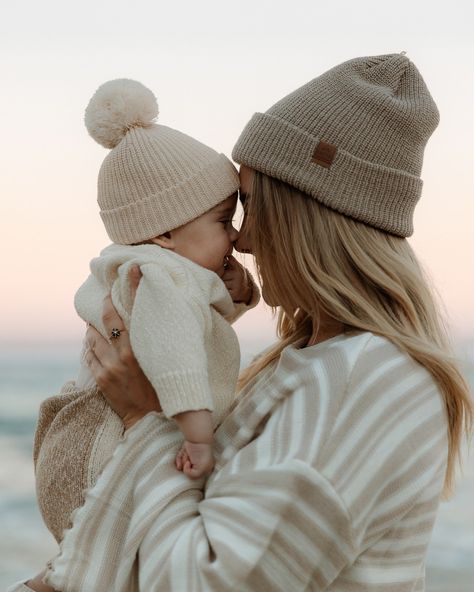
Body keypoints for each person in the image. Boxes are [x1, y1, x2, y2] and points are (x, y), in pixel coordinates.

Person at [16, 53, 473, 592]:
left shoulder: (362, 381)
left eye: (251, 207)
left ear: (308, 216)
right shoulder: (306, 364)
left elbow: (203, 581)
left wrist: (143, 417)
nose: (245, 240)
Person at [30, 79, 260, 548]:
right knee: (125, 551)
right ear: (164, 234)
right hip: (102, 451)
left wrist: (239, 298)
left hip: (81, 451)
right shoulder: (156, 277)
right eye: (222, 221)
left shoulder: (157, 272)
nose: (235, 237)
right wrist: (197, 437)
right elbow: (176, 352)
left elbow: (194, 330)